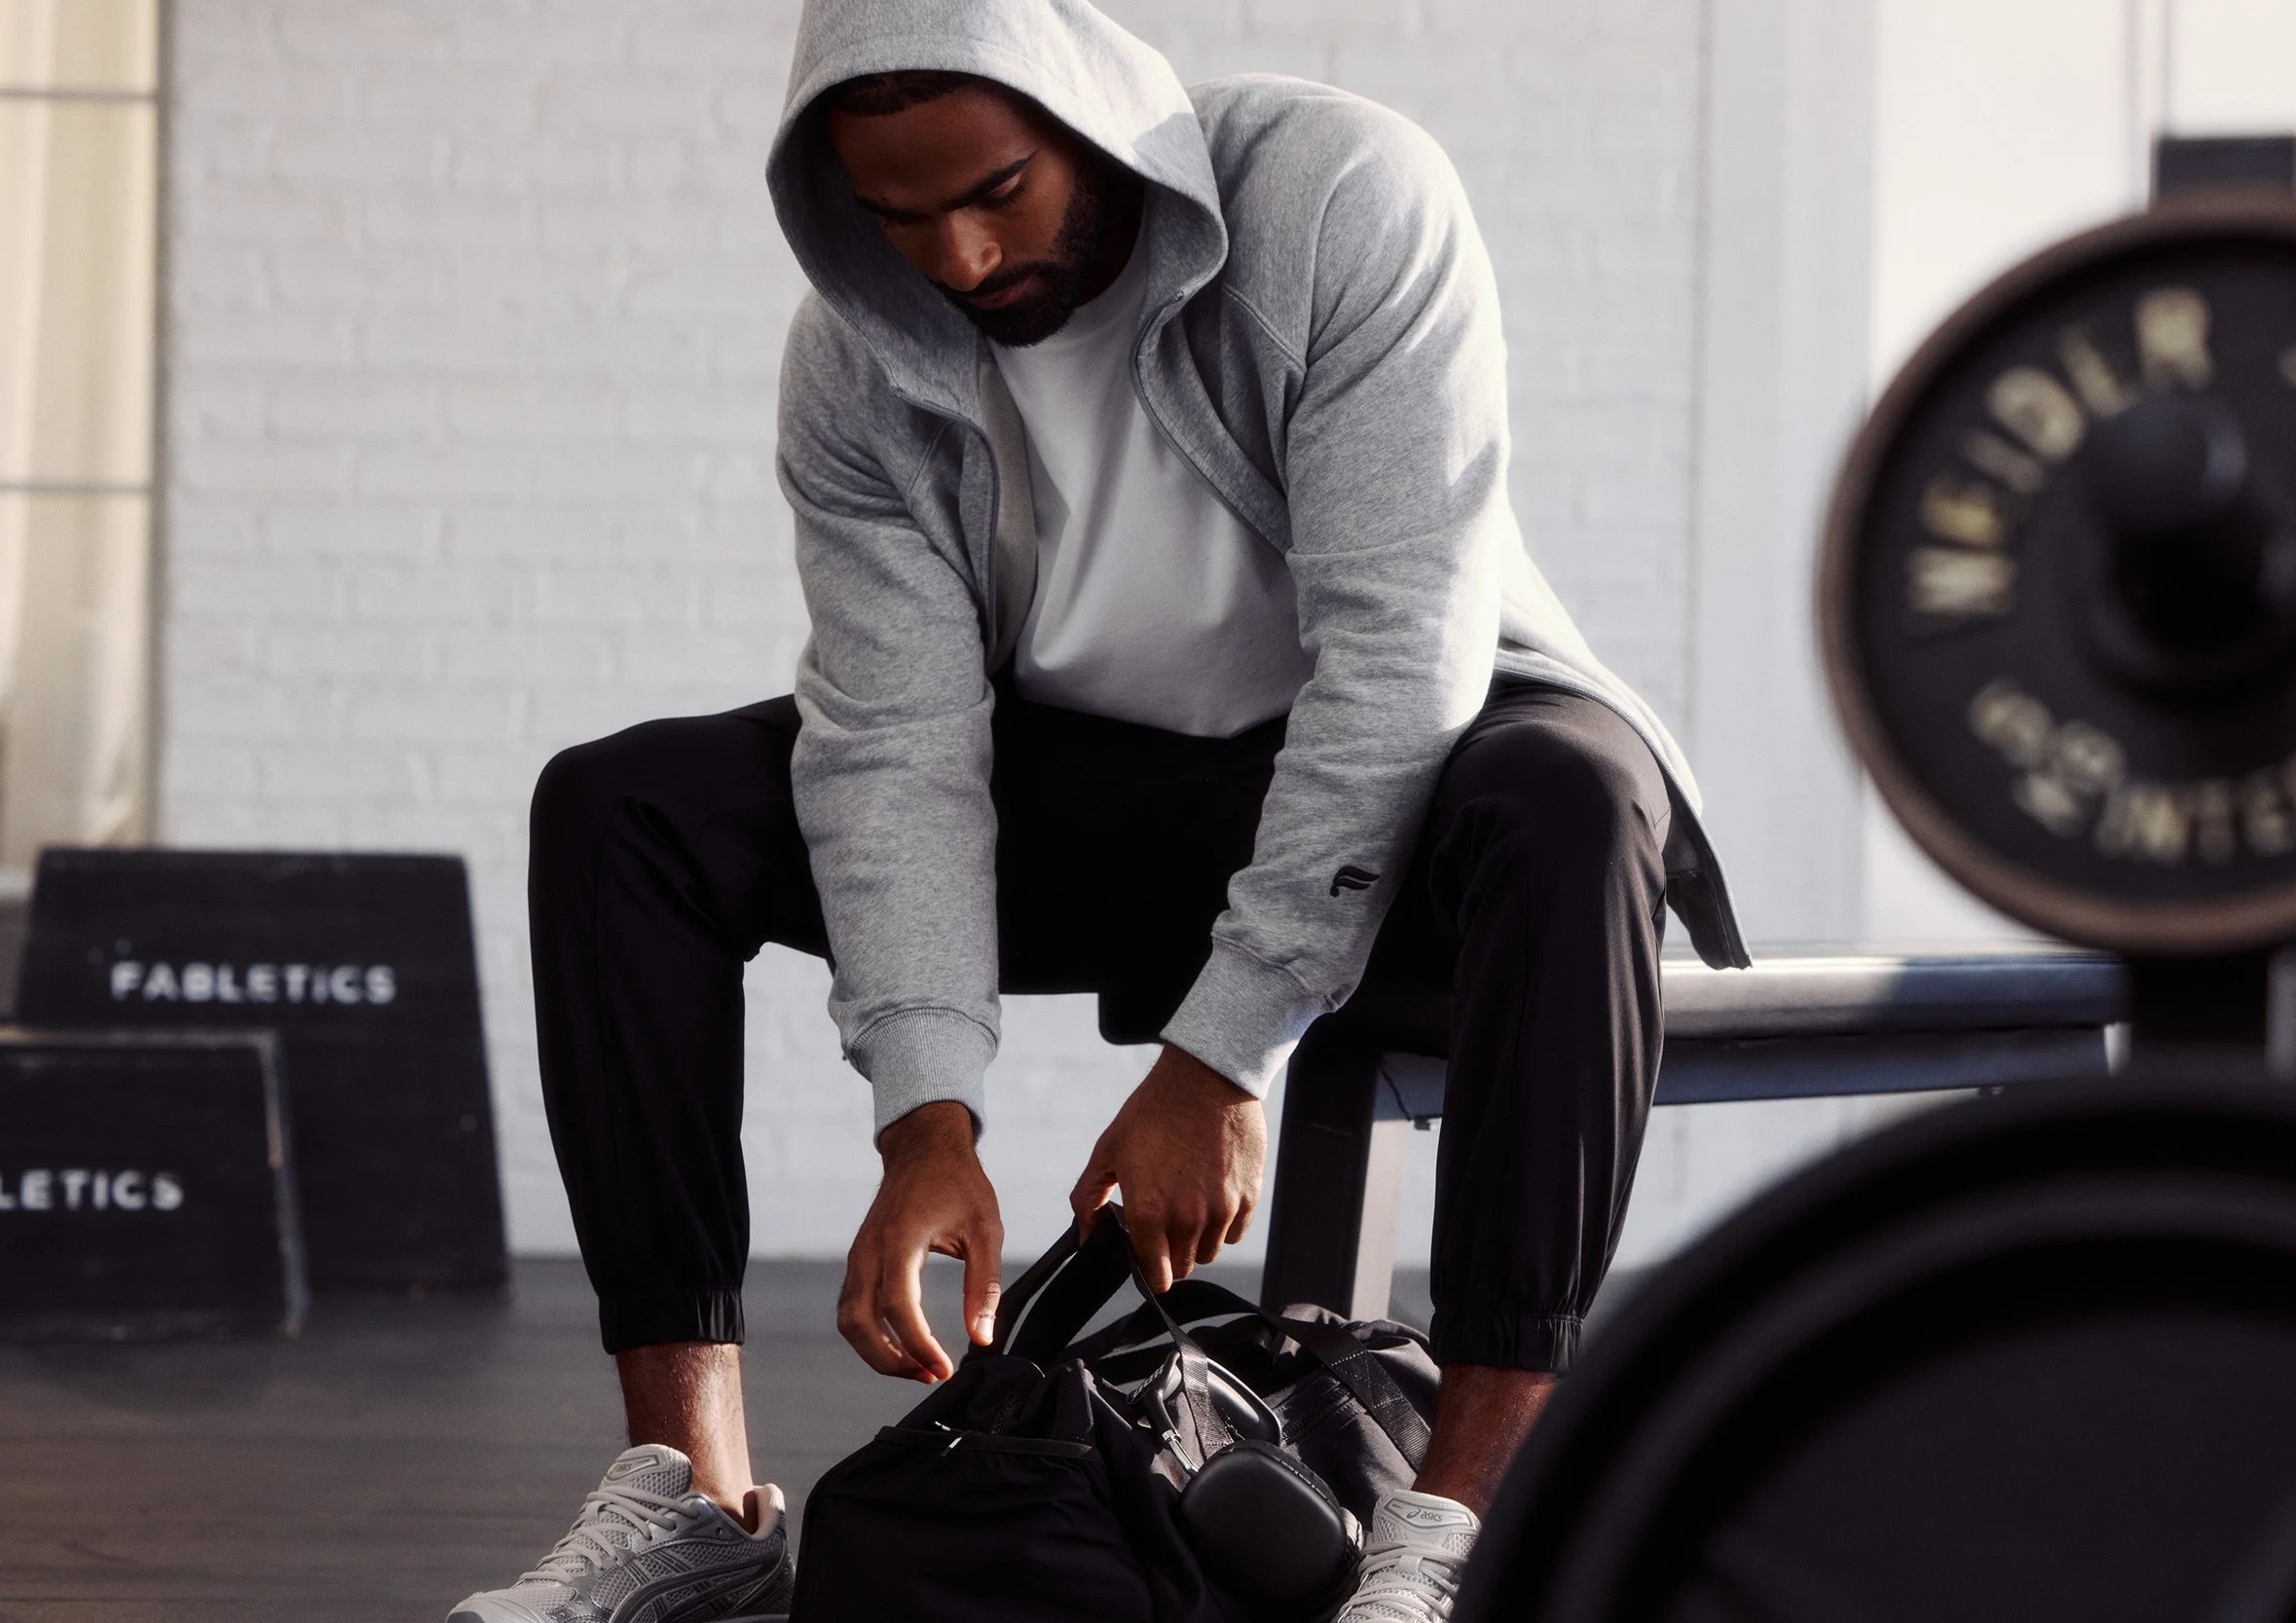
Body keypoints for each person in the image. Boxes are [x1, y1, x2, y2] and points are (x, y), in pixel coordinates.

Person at [449, 2, 1743, 1620]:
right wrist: (928, 1114)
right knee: (624, 803)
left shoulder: (1340, 198)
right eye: (901, 217)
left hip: (1409, 788)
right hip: (1106, 786)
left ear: (1099, 123)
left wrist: (1219, 1056)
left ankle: (1452, 1526)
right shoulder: (853, 362)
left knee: (1575, 789)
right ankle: (695, 1500)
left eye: (999, 189)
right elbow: (895, 741)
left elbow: (1402, 659)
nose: (965, 258)